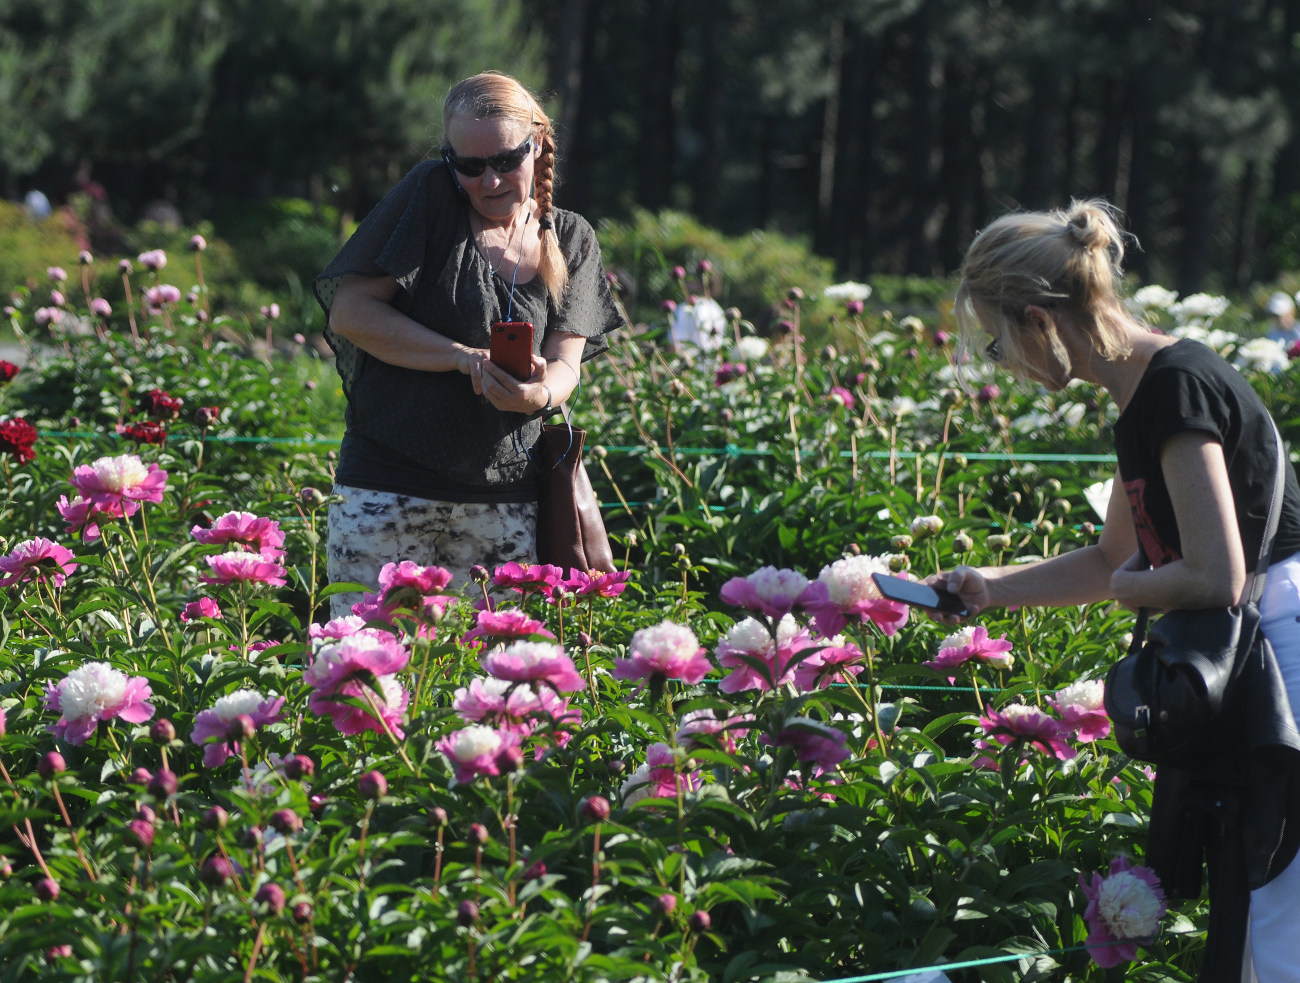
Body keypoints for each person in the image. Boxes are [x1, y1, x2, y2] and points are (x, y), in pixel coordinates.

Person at [936, 199, 1300, 980]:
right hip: (1258, 642)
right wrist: (987, 589)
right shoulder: (1143, 393)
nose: (1009, 363)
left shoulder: (1172, 387)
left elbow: (1212, 573)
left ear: (1041, 320)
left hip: (1282, 644)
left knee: (1275, 920)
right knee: (1254, 915)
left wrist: (1135, 592)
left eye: (1000, 343)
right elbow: (1113, 560)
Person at [314, 71, 623, 615]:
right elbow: (352, 312)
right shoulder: (430, 197)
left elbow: (565, 366)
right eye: (470, 165)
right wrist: (464, 360)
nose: (490, 180)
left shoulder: (572, 237)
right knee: (363, 684)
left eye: (506, 160)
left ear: (538, 145)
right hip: (389, 492)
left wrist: (537, 397)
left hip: (506, 504)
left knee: (493, 691)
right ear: (448, 158)